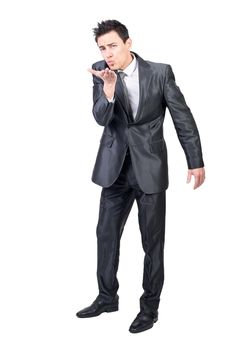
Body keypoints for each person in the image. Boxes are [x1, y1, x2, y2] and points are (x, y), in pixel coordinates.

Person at [76, 19, 205, 333]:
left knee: (153, 243)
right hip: (114, 170)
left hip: (149, 168)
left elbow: (182, 118)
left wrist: (195, 160)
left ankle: (149, 308)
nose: (107, 53)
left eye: (112, 46)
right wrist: (107, 90)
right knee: (105, 235)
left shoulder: (160, 73)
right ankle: (107, 297)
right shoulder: (99, 71)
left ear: (128, 43)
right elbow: (100, 118)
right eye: (102, 48)